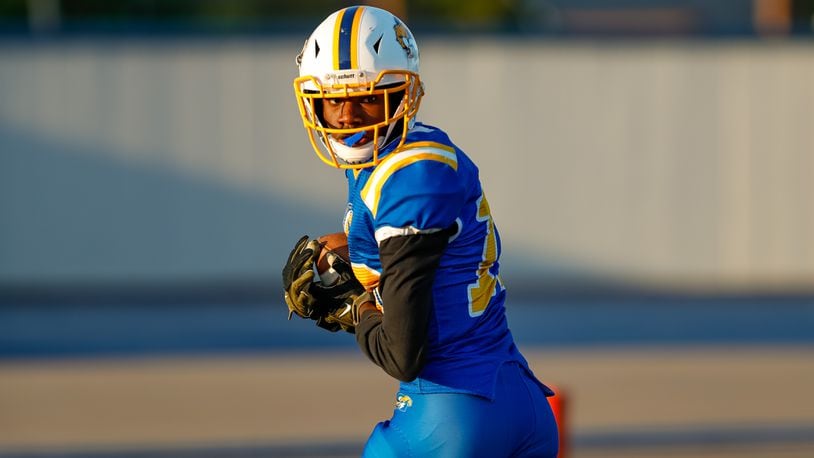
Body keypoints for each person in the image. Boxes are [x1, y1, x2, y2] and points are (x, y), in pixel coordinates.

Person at [282, 5, 559, 457]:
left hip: (451, 417)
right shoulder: (413, 153)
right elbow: (429, 261)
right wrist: (350, 255)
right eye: (335, 100)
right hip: (515, 398)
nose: (349, 116)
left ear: (401, 94)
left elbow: (401, 353)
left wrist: (356, 310)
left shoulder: (406, 176)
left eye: (367, 97)